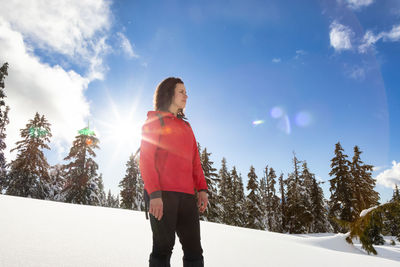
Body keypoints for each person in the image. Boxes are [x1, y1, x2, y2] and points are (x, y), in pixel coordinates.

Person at [139, 77, 208, 267]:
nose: (186, 95)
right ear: (169, 93)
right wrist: (154, 194)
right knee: (163, 249)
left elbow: (195, 161)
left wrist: (202, 189)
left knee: (194, 250)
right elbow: (146, 160)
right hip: (162, 195)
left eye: (186, 92)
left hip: (186, 196)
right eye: (181, 91)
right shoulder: (154, 121)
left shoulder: (186, 127)